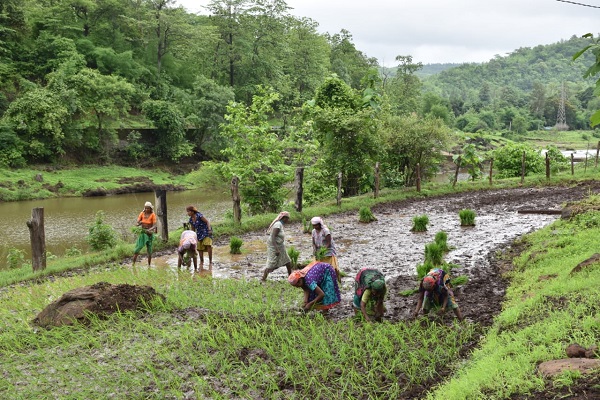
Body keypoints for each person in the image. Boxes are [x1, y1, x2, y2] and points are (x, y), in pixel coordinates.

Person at [262, 211, 292, 281]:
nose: (288, 220)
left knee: (287, 261)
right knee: (272, 264)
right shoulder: (278, 225)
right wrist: (276, 249)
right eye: (287, 218)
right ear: (284, 218)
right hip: (274, 246)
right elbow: (273, 237)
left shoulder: (280, 224)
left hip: (280, 245)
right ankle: (263, 278)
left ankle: (290, 277)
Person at [311, 216, 341, 282]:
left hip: (328, 250)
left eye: (316, 225)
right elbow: (314, 243)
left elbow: (328, 243)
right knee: (318, 266)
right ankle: (323, 280)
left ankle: (336, 279)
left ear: (319, 224)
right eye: (313, 225)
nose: (315, 227)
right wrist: (315, 251)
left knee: (331, 267)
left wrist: (323, 251)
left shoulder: (325, 231)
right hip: (319, 251)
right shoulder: (313, 231)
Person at [132, 201, 157, 266]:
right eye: (145, 208)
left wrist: (149, 230)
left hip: (149, 233)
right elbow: (138, 221)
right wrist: (137, 224)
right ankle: (133, 264)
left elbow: (154, 225)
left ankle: (149, 265)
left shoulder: (152, 215)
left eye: (148, 208)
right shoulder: (142, 213)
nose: (146, 209)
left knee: (149, 250)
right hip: (143, 233)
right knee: (138, 247)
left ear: (150, 208)